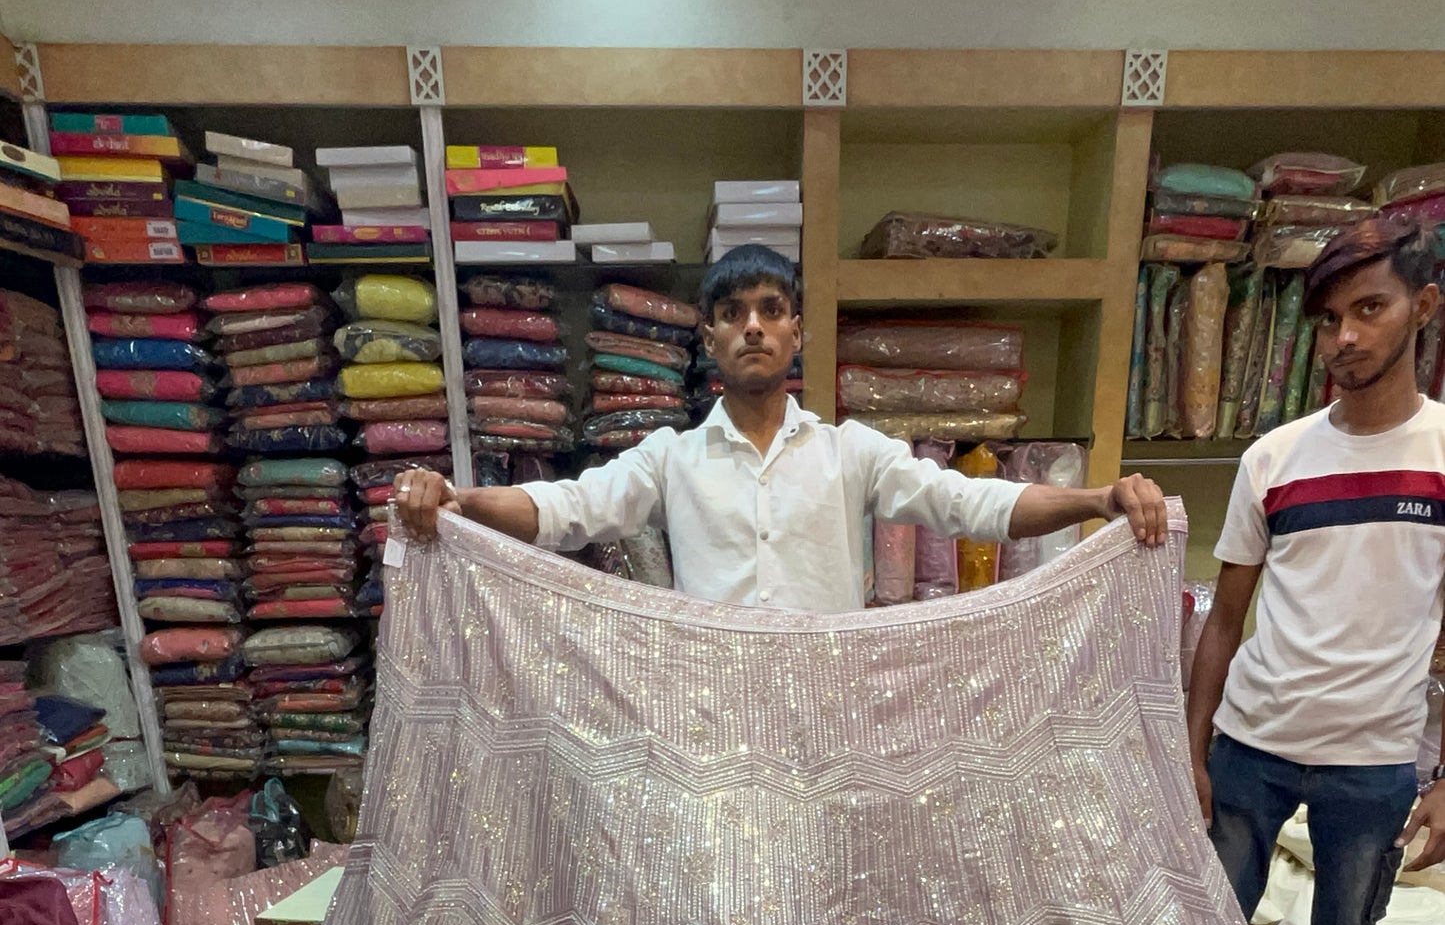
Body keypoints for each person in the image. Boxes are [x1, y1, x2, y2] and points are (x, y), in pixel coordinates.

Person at [394, 244, 1168, 605]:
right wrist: (460, 500)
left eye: (771, 310)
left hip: (827, 717)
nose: (753, 327)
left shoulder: (850, 452)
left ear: (797, 329)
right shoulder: (670, 459)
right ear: (709, 338)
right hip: (715, 723)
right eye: (733, 313)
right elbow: (565, 509)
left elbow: (972, 503)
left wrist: (1096, 499)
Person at [1186, 217, 1445, 925]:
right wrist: (1192, 748)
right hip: (1250, 745)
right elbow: (1224, 618)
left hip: (1371, 762)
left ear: (1422, 306)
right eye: (1329, 318)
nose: (1344, 337)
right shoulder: (1275, 457)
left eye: (1368, 309)